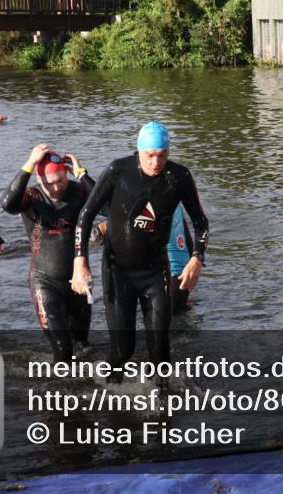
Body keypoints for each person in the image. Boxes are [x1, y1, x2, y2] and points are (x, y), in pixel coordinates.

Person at [73, 122, 208, 384]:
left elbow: (201, 222)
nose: (156, 162)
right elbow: (86, 214)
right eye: (150, 155)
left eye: (163, 155)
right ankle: (107, 390)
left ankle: (165, 402)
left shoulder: (179, 177)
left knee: (160, 350)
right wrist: (80, 261)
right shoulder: (118, 171)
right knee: (124, 350)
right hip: (118, 271)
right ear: (139, 151)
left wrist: (197, 258)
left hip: (156, 271)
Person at [2, 144, 95, 362]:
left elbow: (108, 207)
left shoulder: (79, 191)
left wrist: (81, 174)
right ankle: (56, 393)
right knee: (64, 352)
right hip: (45, 282)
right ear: (38, 179)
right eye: (49, 183)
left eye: (60, 180)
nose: (55, 188)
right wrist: (29, 164)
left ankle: (86, 390)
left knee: (83, 346)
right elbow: (7, 204)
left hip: (79, 281)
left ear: (67, 173)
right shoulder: (32, 197)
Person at [92, 203, 195, 314]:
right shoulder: (177, 203)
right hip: (184, 277)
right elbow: (188, 242)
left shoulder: (148, 202)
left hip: (165, 280)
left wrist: (102, 228)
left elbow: (96, 235)